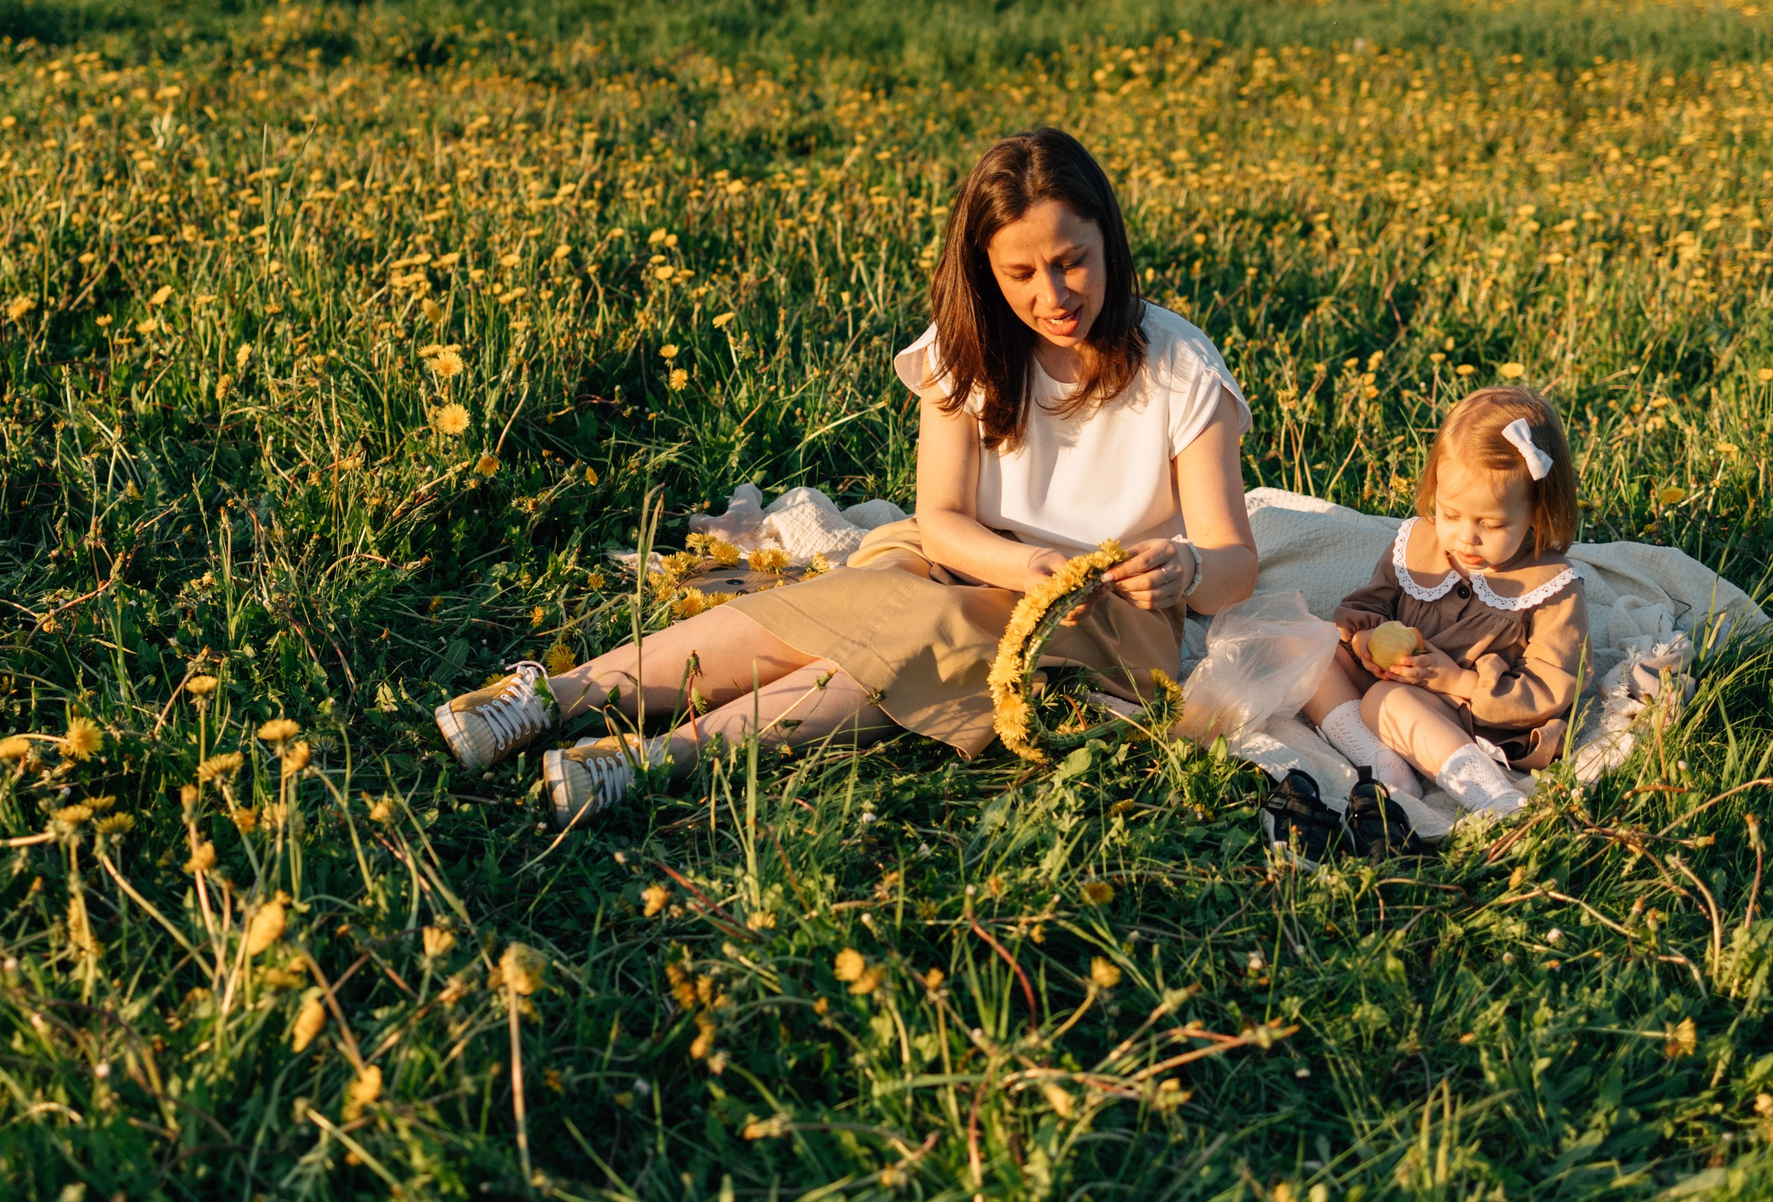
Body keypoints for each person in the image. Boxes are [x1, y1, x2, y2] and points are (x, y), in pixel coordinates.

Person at [431, 127, 1260, 824]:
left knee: (933, 630)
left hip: (1106, 615)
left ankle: (656, 757)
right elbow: (940, 517)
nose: (1053, 293)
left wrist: (1184, 566)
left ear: (1108, 240)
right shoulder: (966, 348)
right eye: (1021, 273)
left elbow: (1233, 568)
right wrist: (1022, 565)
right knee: (861, 604)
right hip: (967, 556)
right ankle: (551, 696)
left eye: (1073, 261)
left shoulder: (1179, 365)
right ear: (986, 272)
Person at [1296, 387, 1589, 828]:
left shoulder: (1549, 586)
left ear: (1538, 511)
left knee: (1387, 703)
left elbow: (1551, 687)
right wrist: (1366, 639)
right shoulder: (1418, 546)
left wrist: (1460, 681)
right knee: (1312, 650)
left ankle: (1497, 799)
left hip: (1474, 715)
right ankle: (1382, 762)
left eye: (1491, 524)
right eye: (1450, 515)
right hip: (1397, 678)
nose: (1466, 538)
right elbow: (1370, 602)